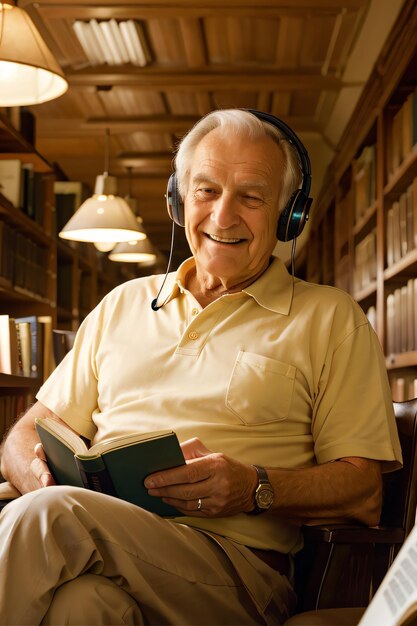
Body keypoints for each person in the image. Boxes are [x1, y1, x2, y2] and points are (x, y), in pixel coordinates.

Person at [0, 109, 402, 626]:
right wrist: (33, 473)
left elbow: (364, 490)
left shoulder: (331, 318)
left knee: (47, 517)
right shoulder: (122, 303)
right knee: (83, 606)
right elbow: (29, 429)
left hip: (237, 571)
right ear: (179, 200)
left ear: (289, 215)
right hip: (98, 546)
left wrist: (255, 486)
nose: (223, 216)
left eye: (251, 197)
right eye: (206, 191)